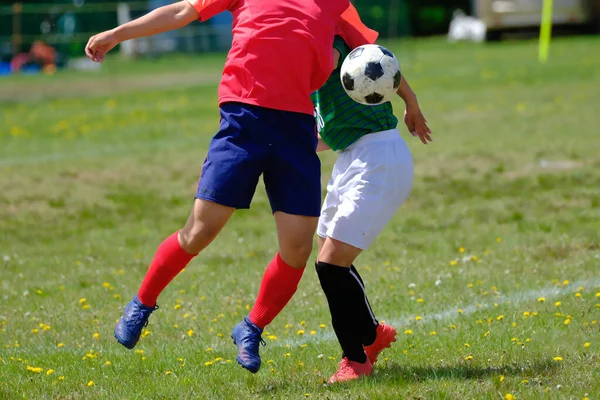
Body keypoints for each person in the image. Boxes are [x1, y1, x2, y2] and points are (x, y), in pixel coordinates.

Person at [84, 0, 351, 373]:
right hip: (244, 118)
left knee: (297, 248)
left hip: (296, 130)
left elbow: (366, 50)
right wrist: (117, 34)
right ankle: (142, 304)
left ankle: (251, 328)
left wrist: (409, 100)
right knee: (200, 229)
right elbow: (181, 12)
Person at [312, 28, 432, 383]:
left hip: (378, 158)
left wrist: (282, 81)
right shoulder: (313, 50)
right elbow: (325, 135)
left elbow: (379, 64)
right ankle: (371, 335)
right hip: (350, 158)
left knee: (331, 264)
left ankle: (358, 357)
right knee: (327, 263)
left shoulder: (328, 38)